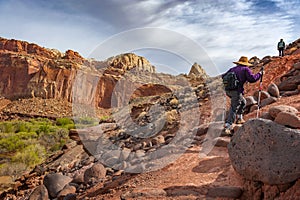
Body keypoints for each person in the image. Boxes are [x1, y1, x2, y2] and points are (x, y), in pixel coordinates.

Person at [222, 56, 262, 134]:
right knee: (234, 107)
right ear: (246, 64)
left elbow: (223, 76)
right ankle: (228, 125)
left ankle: (239, 118)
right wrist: (259, 74)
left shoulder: (232, 69)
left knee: (243, 102)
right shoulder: (245, 69)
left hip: (228, 91)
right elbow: (252, 79)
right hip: (236, 91)